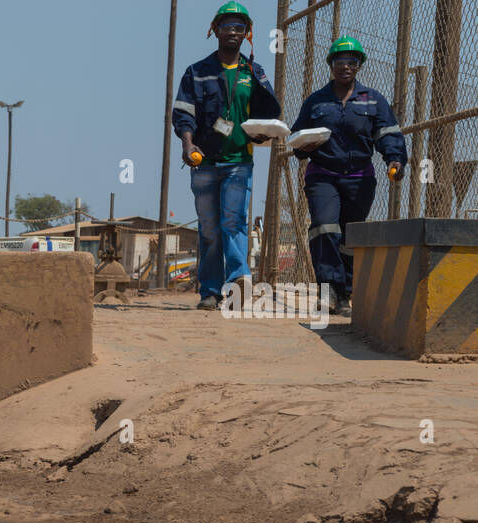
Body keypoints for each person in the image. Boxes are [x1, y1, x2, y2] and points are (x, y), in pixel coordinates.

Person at [172, 2, 281, 311]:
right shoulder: (197, 72)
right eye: (226, 26)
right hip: (203, 161)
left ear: (246, 34)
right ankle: (209, 290)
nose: (232, 32)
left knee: (233, 222)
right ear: (214, 30)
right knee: (209, 228)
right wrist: (187, 144)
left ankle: (238, 282)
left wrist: (263, 132)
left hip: (238, 161)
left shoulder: (253, 72)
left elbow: (269, 111)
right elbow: (183, 115)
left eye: (238, 27)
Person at [290, 36, 407, 316]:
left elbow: (388, 133)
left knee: (351, 236)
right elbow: (296, 139)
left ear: (359, 66)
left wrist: (395, 159)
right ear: (331, 65)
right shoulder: (316, 101)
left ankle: (346, 294)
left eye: (351, 62)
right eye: (340, 61)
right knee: (324, 226)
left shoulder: (373, 100)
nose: (345, 66)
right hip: (323, 175)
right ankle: (328, 291)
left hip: (360, 178)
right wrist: (302, 146)